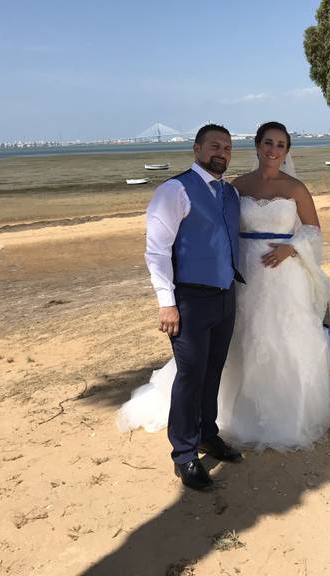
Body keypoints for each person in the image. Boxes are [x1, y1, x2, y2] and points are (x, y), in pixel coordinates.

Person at [117, 122, 330, 473]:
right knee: (204, 365)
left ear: (287, 150)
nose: (274, 149)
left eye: (281, 144)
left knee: (249, 349)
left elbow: (312, 230)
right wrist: (167, 300)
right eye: (268, 142)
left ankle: (215, 431)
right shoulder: (230, 188)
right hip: (237, 279)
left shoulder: (291, 188)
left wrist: (291, 248)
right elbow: (174, 245)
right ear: (256, 145)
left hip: (270, 280)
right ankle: (186, 452)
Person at [133, 123, 246, 491]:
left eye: (227, 148)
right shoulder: (175, 189)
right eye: (214, 145)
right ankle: (183, 454)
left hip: (225, 295)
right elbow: (157, 251)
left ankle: (206, 434)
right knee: (190, 376)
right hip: (190, 300)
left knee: (213, 371)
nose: (222, 152)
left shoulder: (229, 194)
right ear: (196, 149)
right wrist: (167, 304)